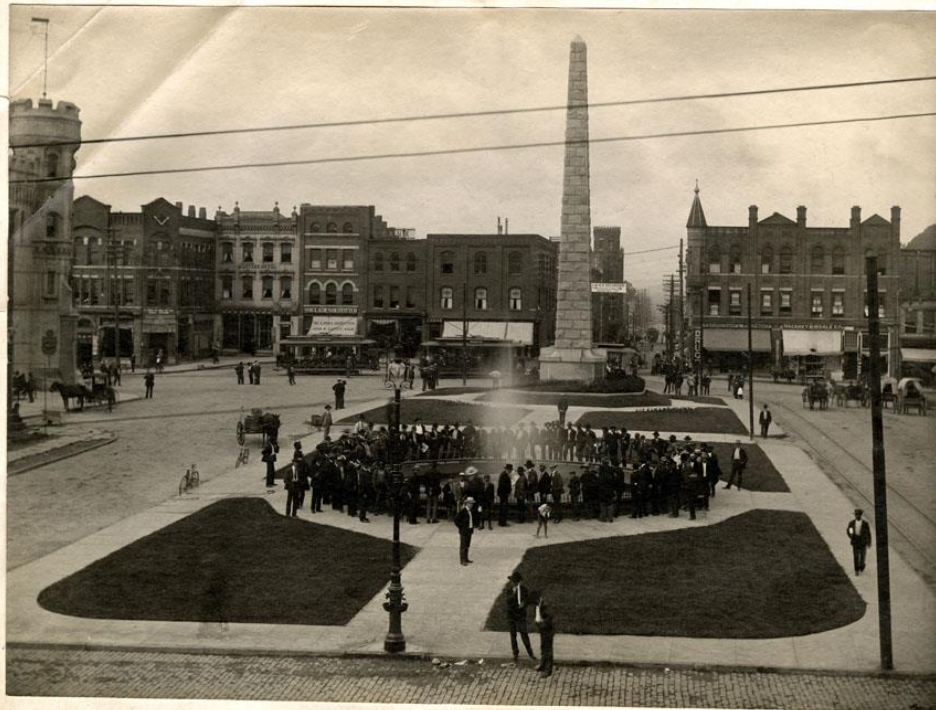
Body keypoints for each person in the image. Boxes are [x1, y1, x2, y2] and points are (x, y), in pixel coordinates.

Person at [505, 571, 537, 663]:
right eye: (513, 582)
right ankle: (515, 653)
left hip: (521, 616)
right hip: (512, 615)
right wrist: (514, 593)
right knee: (513, 635)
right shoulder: (509, 591)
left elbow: (528, 600)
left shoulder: (524, 590)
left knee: (524, 634)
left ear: (519, 582)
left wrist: (524, 604)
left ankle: (530, 653)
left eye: (516, 582)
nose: (514, 583)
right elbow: (508, 602)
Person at [847, 508, 872, 575]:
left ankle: (862, 565)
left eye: (858, 515)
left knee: (862, 555)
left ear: (861, 515)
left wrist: (869, 542)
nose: (857, 516)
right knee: (856, 556)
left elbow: (868, 533)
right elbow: (849, 530)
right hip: (855, 541)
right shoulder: (851, 523)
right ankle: (856, 570)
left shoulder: (865, 524)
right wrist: (851, 535)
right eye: (856, 514)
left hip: (863, 541)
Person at [535, 594, 555, 678]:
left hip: (547, 630)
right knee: (543, 647)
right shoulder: (539, 605)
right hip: (543, 629)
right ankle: (542, 664)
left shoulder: (547, 608)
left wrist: (540, 623)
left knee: (547, 649)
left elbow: (548, 620)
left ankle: (548, 669)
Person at [454, 496, 476, 566]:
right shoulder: (463, 511)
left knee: (467, 545)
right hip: (464, 531)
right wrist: (461, 527)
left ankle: (466, 558)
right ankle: (462, 560)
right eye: (470, 503)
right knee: (463, 546)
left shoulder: (471, 511)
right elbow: (456, 520)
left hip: (469, 531)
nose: (472, 505)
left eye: (472, 503)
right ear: (467, 504)